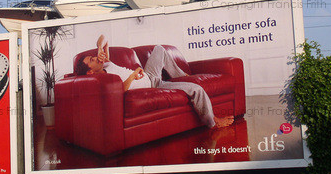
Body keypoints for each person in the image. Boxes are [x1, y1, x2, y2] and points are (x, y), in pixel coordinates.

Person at [75, 35, 234, 129]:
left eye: (94, 56)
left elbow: (104, 39)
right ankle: (212, 122)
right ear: (90, 71)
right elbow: (120, 91)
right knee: (196, 89)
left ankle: (180, 74)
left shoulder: (107, 64)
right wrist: (132, 76)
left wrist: (99, 48)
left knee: (159, 48)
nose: (96, 58)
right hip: (155, 84)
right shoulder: (102, 79)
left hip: (150, 74)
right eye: (92, 60)